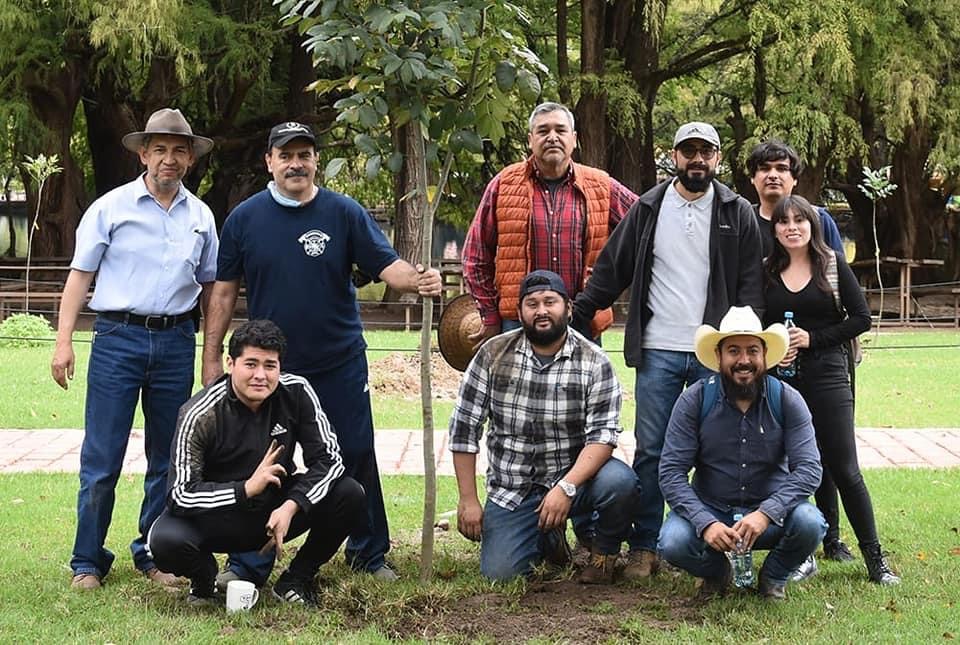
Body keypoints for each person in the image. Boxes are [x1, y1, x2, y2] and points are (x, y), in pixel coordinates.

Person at [201, 121, 441, 585]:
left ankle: (368, 553)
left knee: (355, 452)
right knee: (265, 459)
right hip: (273, 371)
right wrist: (212, 357)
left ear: (315, 161)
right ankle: (248, 562)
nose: (296, 163)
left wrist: (419, 279)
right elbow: (224, 293)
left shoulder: (343, 212)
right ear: (268, 161)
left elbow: (387, 267)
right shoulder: (244, 219)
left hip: (339, 361)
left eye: (304, 154)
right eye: (285, 155)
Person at [571, 121, 764, 579]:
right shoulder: (649, 207)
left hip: (712, 353)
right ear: (673, 156)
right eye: (688, 151)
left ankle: (707, 539)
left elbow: (751, 286)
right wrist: (577, 316)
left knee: (714, 447)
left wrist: (748, 349)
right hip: (658, 348)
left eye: (706, 151)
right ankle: (645, 544)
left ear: (719, 157)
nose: (697, 159)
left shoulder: (737, 213)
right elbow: (612, 267)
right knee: (653, 450)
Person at [50, 108, 218, 590]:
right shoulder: (110, 208)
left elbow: (211, 288)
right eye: (159, 149)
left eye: (179, 150)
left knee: (168, 458)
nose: (169, 158)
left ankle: (153, 552)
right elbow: (79, 277)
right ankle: (86, 559)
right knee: (102, 458)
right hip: (116, 339)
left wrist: (210, 351)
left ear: (190, 159)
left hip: (174, 341)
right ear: (143, 154)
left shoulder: (202, 216)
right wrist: (64, 342)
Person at [148, 320, 366, 606]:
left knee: (349, 493)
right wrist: (246, 488)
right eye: (250, 364)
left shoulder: (296, 392)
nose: (260, 375)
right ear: (230, 363)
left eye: (270, 365)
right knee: (164, 542)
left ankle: (296, 579)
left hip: (274, 510)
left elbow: (330, 460)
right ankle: (204, 583)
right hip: (216, 517)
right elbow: (180, 493)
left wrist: (292, 505)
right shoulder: (198, 413)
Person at [449, 270, 641, 583]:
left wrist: (566, 487)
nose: (541, 310)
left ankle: (603, 554)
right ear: (519, 311)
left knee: (620, 483)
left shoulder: (594, 361)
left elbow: (603, 437)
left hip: (574, 480)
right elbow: (464, 428)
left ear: (567, 308)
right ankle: (547, 538)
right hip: (514, 487)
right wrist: (468, 499)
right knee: (500, 575)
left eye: (550, 302)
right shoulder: (492, 354)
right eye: (532, 303)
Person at [762, 195, 900, 584]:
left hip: (828, 374)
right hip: (781, 379)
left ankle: (876, 558)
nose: (792, 227)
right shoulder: (766, 271)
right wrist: (776, 351)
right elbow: (758, 324)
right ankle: (802, 552)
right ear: (775, 230)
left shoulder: (832, 265)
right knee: (791, 466)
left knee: (843, 466)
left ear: (813, 225)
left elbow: (861, 319)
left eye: (800, 220)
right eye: (783, 221)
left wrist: (813, 339)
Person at [657, 306, 826, 600]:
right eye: (733, 351)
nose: (744, 360)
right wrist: (705, 522)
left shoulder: (787, 399)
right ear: (719, 357)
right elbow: (671, 473)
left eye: (752, 351)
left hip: (770, 515)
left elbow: (809, 470)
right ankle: (717, 573)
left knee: (811, 523)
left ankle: (774, 576)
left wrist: (766, 513)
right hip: (713, 509)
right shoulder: (694, 400)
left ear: (764, 356)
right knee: (672, 542)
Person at [747, 139, 854, 577]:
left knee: (827, 448)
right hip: (764, 356)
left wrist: (827, 340)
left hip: (824, 354)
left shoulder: (819, 219)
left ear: (794, 177)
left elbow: (835, 287)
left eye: (782, 168)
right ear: (752, 177)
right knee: (777, 448)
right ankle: (792, 535)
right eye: (765, 168)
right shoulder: (741, 220)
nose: (774, 174)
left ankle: (829, 535)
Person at [462, 102, 638, 347]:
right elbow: (475, 256)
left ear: (574, 138)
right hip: (518, 321)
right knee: (517, 387)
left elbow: (645, 223)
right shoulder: (503, 185)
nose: (552, 137)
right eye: (543, 131)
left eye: (560, 130)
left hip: (582, 319)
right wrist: (490, 316)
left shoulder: (601, 185)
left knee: (579, 387)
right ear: (530, 139)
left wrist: (610, 286)